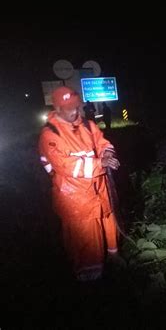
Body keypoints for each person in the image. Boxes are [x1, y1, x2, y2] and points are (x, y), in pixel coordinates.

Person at [38, 86, 121, 281]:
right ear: (57, 108)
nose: (74, 111)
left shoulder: (87, 125)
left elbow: (103, 143)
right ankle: (89, 283)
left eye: (76, 107)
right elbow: (64, 165)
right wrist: (100, 163)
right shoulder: (49, 134)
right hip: (75, 200)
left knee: (108, 223)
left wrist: (108, 153)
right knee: (85, 241)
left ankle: (114, 258)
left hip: (100, 189)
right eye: (68, 108)